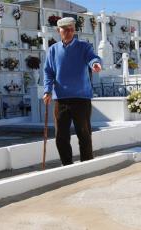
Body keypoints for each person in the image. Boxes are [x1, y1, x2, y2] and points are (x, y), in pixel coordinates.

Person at [43, 17, 102, 166]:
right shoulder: (53, 50)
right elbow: (48, 72)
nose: (69, 32)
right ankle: (67, 165)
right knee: (61, 136)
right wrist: (47, 91)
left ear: (74, 30)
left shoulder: (84, 46)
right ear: (58, 31)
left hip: (81, 98)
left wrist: (95, 64)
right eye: (65, 29)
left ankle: (87, 164)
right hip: (61, 99)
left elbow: (92, 58)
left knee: (84, 133)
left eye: (71, 29)